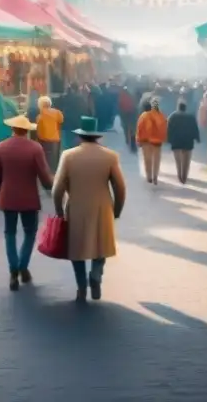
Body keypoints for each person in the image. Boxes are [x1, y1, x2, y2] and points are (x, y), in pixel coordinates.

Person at [52, 116, 126, 303]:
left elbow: (57, 189)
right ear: (97, 136)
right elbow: (120, 187)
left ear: (80, 136)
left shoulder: (68, 156)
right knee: (100, 246)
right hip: (102, 207)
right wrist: (117, 209)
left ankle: (81, 287)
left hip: (76, 207)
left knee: (76, 250)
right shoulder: (110, 156)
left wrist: (59, 211)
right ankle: (96, 274)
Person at [0, 114, 54, 291]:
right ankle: (23, 265)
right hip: (29, 198)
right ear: (27, 130)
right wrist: (52, 191)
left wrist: (0, 192)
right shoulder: (35, 148)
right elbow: (44, 175)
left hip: (7, 197)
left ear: (12, 129)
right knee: (30, 232)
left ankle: (13, 271)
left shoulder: (0, 147)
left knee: (9, 233)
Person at [166, 101, 200, 184]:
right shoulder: (191, 117)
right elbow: (195, 129)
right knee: (186, 161)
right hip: (188, 142)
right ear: (185, 108)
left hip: (176, 141)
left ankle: (179, 175)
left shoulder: (172, 116)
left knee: (178, 161)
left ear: (178, 107)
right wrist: (197, 138)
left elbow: (168, 129)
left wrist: (168, 140)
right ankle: (184, 177)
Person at [135, 99, 167, 185]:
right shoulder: (161, 116)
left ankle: (149, 177)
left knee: (147, 160)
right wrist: (164, 139)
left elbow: (139, 128)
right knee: (156, 160)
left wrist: (138, 139)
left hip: (146, 141)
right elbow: (164, 129)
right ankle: (155, 176)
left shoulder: (144, 115)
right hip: (157, 142)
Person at [35, 96, 65, 173]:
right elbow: (61, 121)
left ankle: (46, 174)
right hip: (55, 139)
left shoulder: (39, 117)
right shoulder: (57, 113)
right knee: (55, 161)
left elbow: (38, 130)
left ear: (40, 105)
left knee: (46, 160)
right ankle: (55, 174)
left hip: (43, 141)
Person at [117, 86, 138, 153]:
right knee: (132, 129)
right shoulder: (133, 94)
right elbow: (135, 104)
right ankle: (133, 145)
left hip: (124, 113)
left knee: (125, 127)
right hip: (132, 113)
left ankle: (127, 140)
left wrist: (120, 113)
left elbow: (119, 104)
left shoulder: (121, 94)